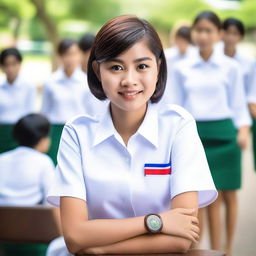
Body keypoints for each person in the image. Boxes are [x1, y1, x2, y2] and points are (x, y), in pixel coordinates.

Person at [46, 15, 217, 255]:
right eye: (116, 67)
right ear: (96, 70)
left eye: (142, 66)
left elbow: (181, 239)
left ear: (158, 67)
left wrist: (103, 250)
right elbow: (74, 236)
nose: (129, 80)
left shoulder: (178, 126)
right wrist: (156, 221)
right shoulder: (77, 133)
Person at [169, 11, 251, 256]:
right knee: (199, 202)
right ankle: (198, 250)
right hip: (195, 137)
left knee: (227, 197)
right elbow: (176, 105)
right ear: (193, 33)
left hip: (226, 137)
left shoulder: (231, 67)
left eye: (208, 31)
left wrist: (244, 130)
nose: (203, 36)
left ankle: (225, 249)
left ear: (219, 34)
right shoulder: (181, 68)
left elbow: (238, 104)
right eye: (199, 30)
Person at [41, 38, 106, 164]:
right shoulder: (50, 81)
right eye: (66, 54)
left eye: (74, 54)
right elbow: (45, 111)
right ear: (59, 56)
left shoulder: (86, 82)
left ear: (80, 55)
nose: (70, 59)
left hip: (79, 129)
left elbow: (92, 111)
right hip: (55, 131)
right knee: (55, 164)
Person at [0, 113, 55, 256]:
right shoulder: (44, 162)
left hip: (3, 231)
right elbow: (50, 201)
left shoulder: (2, 159)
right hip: (34, 235)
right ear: (42, 139)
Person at [222, 17, 256, 172]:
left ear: (240, 36)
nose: (230, 37)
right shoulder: (210, 59)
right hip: (220, 114)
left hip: (240, 114)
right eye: (227, 32)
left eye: (234, 33)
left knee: (231, 165)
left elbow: (251, 93)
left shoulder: (248, 63)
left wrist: (246, 125)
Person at [0, 47, 37, 153]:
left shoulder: (28, 87)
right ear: (2, 66)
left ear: (20, 64)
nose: (10, 68)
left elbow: (30, 113)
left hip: (20, 134)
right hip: (2, 134)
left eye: (14, 64)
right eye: (6, 65)